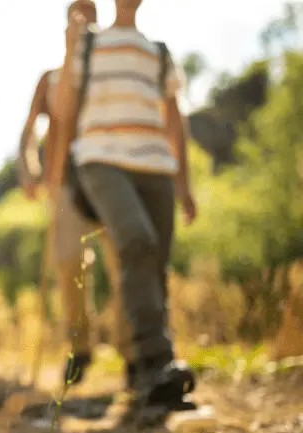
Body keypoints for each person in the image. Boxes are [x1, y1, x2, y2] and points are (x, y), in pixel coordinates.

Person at [52, 0, 199, 406]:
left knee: (155, 263)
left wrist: (184, 184)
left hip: (155, 165)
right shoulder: (89, 45)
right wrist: (68, 52)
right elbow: (64, 111)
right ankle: (156, 361)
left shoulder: (159, 52)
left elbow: (174, 119)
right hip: (100, 160)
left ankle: (147, 373)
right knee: (136, 240)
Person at [18, 0, 135, 389]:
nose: (84, 21)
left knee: (123, 264)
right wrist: (29, 164)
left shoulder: (108, 74)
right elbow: (31, 127)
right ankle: (80, 348)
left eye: (90, 17)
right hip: (67, 183)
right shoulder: (51, 77)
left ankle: (130, 352)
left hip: (112, 177)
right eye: (76, 15)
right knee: (68, 264)